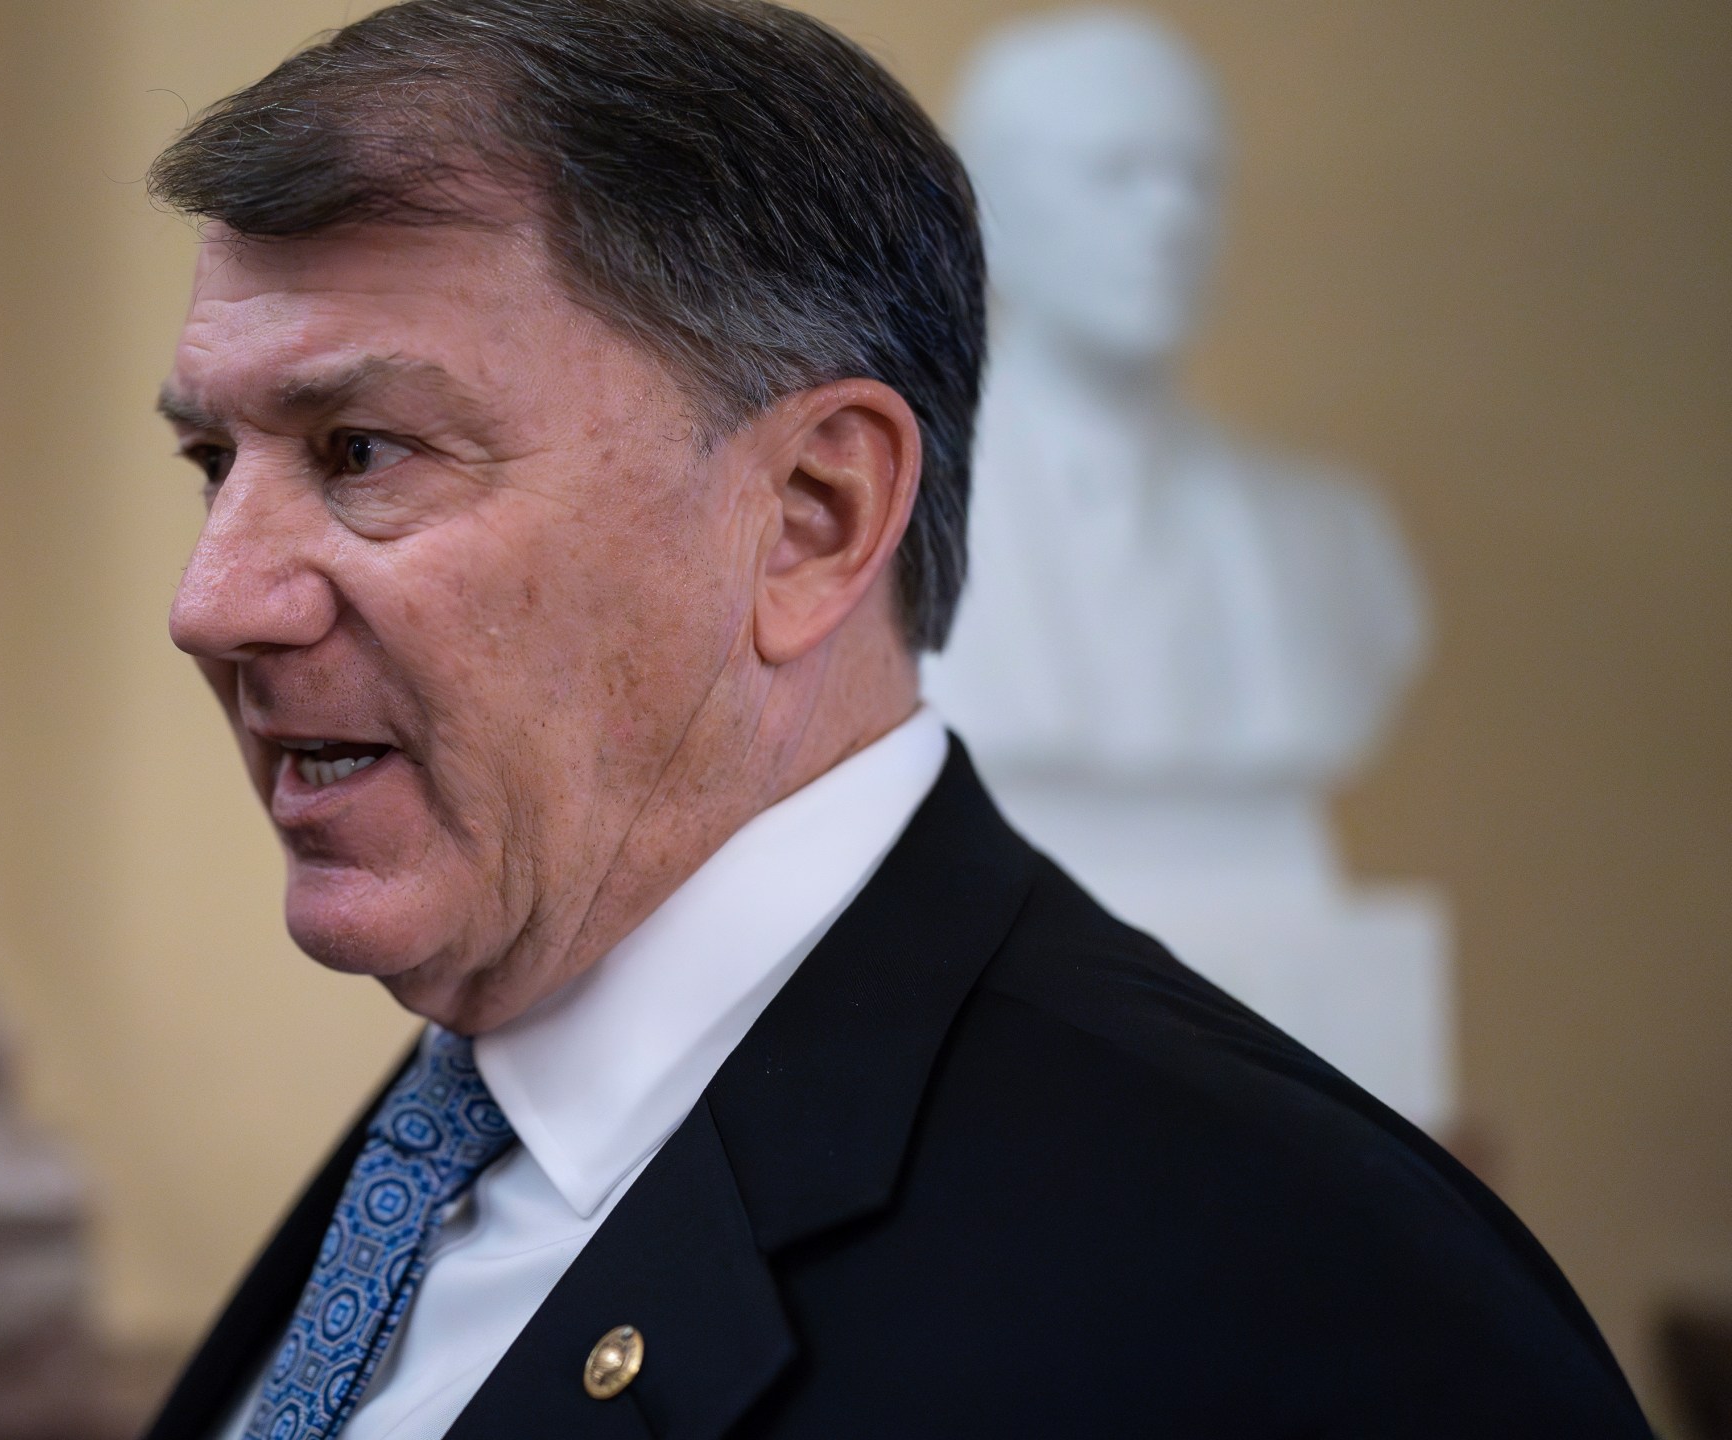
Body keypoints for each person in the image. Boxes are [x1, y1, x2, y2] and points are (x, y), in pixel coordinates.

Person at [137, 2, 1650, 1436]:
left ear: (811, 517)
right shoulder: (451, 1141)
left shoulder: (1311, 1301)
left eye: (363, 451)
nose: (215, 601)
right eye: (216, 461)